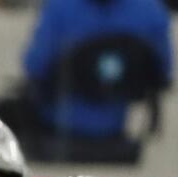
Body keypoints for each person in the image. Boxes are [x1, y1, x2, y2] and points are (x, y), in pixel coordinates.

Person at [21, 0, 173, 139]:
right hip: (114, 129)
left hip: (58, 129)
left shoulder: (59, 7)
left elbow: (34, 67)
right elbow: (162, 74)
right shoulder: (150, 10)